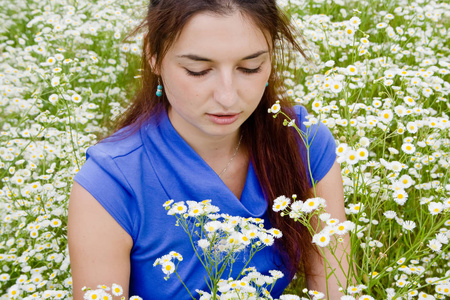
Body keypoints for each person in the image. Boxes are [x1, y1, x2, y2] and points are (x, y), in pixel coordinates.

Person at [68, 0, 350, 299]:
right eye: (198, 70)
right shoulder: (111, 182)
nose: (227, 97)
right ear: (153, 55)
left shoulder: (303, 143)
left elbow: (337, 288)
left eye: (250, 67)